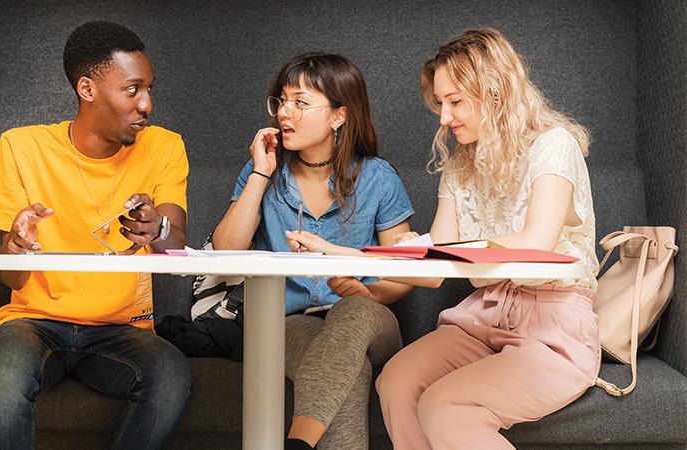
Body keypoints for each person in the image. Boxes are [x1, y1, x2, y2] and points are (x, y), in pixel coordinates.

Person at [375, 27, 601, 449]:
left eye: (456, 101)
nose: (444, 117)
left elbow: (536, 244)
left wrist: (435, 250)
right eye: (441, 103)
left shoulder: (554, 145)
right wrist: (352, 255)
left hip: (553, 324)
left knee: (445, 406)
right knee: (396, 382)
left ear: (496, 93)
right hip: (482, 317)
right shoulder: (461, 165)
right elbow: (436, 269)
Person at [0, 21, 191, 450]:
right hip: (33, 323)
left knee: (171, 375)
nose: (146, 103)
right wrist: (16, 247)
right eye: (132, 89)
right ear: (88, 89)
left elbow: (176, 241)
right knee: (2, 380)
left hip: (122, 328)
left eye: (150, 88)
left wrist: (158, 228)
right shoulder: (21, 147)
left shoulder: (165, 146)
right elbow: (11, 278)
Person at [212, 53, 415, 450]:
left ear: (340, 115)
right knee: (346, 370)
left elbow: (407, 273)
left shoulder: (377, 177)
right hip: (287, 320)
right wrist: (260, 174)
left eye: (300, 103)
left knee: (352, 314)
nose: (285, 113)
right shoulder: (264, 171)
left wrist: (370, 292)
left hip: (371, 318)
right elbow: (226, 248)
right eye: (281, 101)